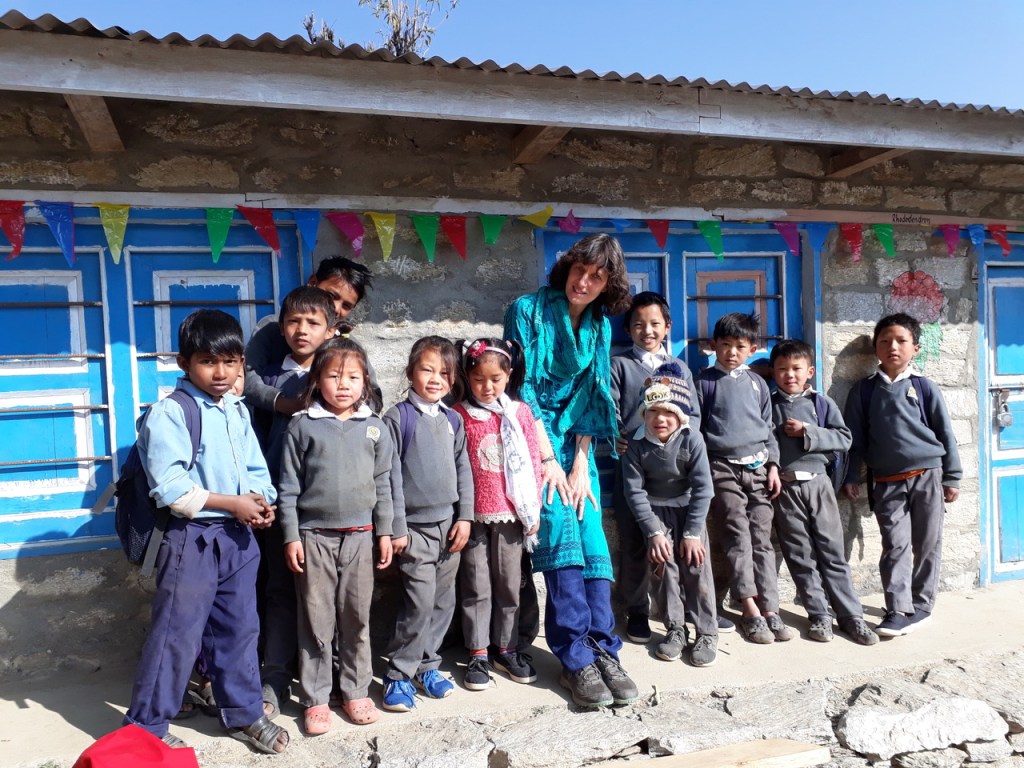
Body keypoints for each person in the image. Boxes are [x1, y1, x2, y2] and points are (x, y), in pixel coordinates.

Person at [123, 309, 289, 755]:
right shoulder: (171, 413)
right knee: (176, 634)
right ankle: (146, 725)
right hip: (190, 539)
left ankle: (244, 712)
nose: (221, 373)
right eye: (208, 362)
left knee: (240, 628)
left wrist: (260, 503)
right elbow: (172, 489)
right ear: (184, 363)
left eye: (230, 362)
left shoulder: (236, 410)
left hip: (238, 538)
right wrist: (231, 503)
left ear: (241, 364)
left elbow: (256, 470)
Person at [504, 232, 638, 709]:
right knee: (560, 535)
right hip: (532, 442)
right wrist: (547, 459)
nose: (584, 281)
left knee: (591, 535)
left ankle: (604, 648)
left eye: (597, 276)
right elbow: (521, 388)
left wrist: (581, 463)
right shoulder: (527, 310)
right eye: (580, 270)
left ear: (608, 284)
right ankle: (574, 658)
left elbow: (594, 392)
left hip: (578, 446)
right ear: (567, 268)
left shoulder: (600, 325)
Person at [277, 338, 395, 735]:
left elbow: (384, 483)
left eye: (353, 377)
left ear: (366, 382)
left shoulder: (374, 427)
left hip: (361, 536)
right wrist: (291, 536)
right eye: (333, 376)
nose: (343, 385)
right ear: (317, 380)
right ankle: (315, 697)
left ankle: (356, 690)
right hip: (314, 537)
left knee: (356, 616)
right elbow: (288, 487)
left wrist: (386, 531)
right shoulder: (303, 425)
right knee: (316, 617)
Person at [609, 291, 721, 644]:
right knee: (635, 543)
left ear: (667, 326)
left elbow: (694, 416)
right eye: (638, 324)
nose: (647, 330)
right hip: (635, 469)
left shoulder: (680, 368)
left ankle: (691, 616)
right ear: (628, 329)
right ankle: (638, 611)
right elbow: (610, 409)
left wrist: (680, 445)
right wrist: (618, 436)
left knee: (686, 551)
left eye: (655, 323)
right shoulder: (619, 365)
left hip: (675, 474)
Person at [842, 313, 961, 637]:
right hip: (887, 482)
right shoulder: (864, 391)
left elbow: (945, 434)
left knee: (927, 543)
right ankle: (898, 609)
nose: (892, 347)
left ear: (915, 348)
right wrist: (851, 476)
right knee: (895, 544)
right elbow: (854, 441)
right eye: (885, 341)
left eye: (901, 341)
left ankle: (921, 607)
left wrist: (952, 477)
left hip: (928, 476)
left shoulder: (923, 387)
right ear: (876, 348)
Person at [251, 286, 337, 719]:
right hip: (279, 505)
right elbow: (251, 441)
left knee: (330, 595)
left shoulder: (339, 376)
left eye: (313, 323)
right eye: (293, 321)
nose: (302, 330)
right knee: (280, 590)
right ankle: (276, 675)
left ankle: (332, 674)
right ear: (282, 327)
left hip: (330, 508)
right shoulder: (268, 380)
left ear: (331, 330)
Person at [381, 336, 473, 711]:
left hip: (448, 529)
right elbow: (389, 476)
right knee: (418, 604)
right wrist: (396, 526)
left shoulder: (452, 419)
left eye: (445, 373)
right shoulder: (398, 418)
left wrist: (465, 517)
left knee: (442, 602)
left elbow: (464, 470)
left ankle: (427, 666)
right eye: (427, 369)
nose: (436, 379)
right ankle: (398, 675)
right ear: (410, 372)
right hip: (414, 531)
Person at [769, 340, 877, 646]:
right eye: (782, 369)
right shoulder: (768, 405)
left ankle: (851, 616)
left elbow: (844, 439)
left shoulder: (821, 404)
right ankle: (818, 615)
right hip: (786, 489)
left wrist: (807, 431)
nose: (790, 375)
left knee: (832, 552)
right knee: (799, 554)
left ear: (810, 372)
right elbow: (765, 440)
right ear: (774, 372)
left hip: (819, 485)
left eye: (796, 368)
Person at [696, 312, 793, 645]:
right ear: (714, 345)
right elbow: (696, 431)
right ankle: (749, 607)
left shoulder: (757, 384)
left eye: (740, 346)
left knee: (762, 538)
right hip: (722, 468)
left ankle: (770, 608)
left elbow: (769, 429)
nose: (732, 352)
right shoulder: (704, 382)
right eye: (725, 345)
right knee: (737, 534)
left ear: (752, 349)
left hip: (759, 469)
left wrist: (774, 466)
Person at [453, 338, 542, 691]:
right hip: (473, 516)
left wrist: (532, 509)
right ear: (467, 377)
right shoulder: (459, 415)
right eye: (478, 380)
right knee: (475, 585)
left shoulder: (520, 413)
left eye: (495, 379)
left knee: (509, 584)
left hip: (511, 516)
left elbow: (532, 461)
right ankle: (477, 652)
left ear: (509, 375)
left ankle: (506, 648)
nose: (487, 387)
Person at [621, 364, 719, 667]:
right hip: (655, 512)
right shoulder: (636, 443)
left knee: (696, 567)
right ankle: (675, 628)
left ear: (680, 415)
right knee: (663, 569)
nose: (660, 419)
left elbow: (703, 489)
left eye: (668, 412)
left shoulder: (692, 439)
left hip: (689, 511)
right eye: (652, 411)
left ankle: (707, 631)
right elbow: (634, 491)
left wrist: (692, 533)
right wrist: (653, 532)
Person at [245, 257, 378, 418]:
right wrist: (280, 402)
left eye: (346, 306)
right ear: (313, 282)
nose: (336, 308)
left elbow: (373, 395)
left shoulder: (347, 345)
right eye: (332, 295)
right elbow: (247, 376)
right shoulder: (271, 329)